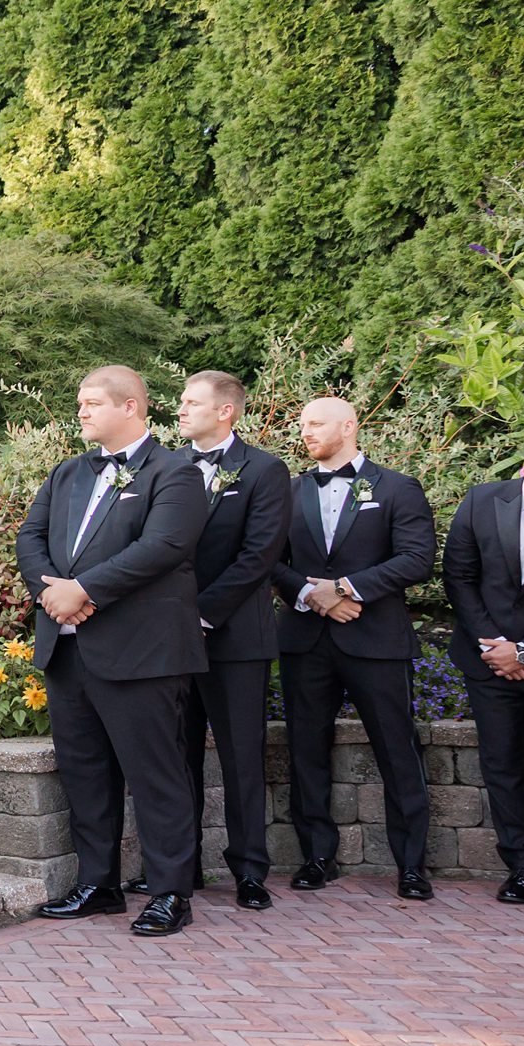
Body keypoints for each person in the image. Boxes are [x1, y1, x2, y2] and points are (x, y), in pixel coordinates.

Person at [14, 366, 208, 937]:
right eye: (80, 402)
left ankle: (172, 890)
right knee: (85, 774)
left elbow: (163, 546)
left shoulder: (175, 472)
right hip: (68, 649)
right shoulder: (68, 472)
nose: (81, 411)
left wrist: (85, 590)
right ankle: (99, 884)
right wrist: (53, 592)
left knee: (157, 774)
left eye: (92, 402)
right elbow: (30, 536)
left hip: (141, 652)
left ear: (132, 408)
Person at [270, 397, 438, 900]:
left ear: (349, 426)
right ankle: (317, 856)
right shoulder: (289, 492)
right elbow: (268, 559)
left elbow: (417, 559)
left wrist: (343, 588)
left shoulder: (398, 488)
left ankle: (412, 864)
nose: (306, 432)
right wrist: (312, 595)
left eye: (315, 423)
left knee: (397, 750)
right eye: (302, 425)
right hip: (306, 641)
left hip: (376, 641)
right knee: (306, 750)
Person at [168, 370, 290, 911]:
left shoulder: (265, 470)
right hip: (167, 640)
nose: (180, 409)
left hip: (235, 637)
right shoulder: (166, 468)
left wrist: (201, 615)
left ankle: (249, 871)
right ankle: (179, 868)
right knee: (176, 755)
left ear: (226, 412)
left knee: (242, 756)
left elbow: (260, 556)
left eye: (191, 402)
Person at [440, 445, 524, 910]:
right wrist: (493, 645)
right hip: (488, 661)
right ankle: (523, 867)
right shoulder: (482, 500)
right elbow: (459, 577)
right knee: (502, 766)